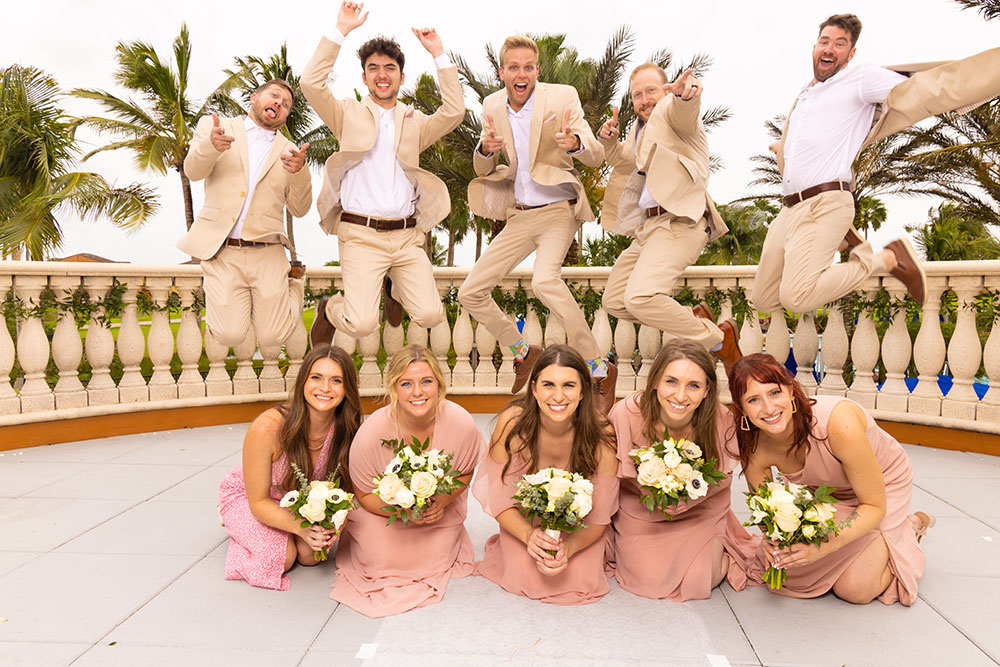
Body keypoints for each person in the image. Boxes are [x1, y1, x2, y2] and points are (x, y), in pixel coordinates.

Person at [755, 13, 1000, 315]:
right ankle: (849, 240)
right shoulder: (806, 94)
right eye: (825, 42)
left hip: (825, 203)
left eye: (840, 44)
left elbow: (921, 89)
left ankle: (887, 258)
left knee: (796, 297)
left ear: (851, 54)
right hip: (789, 209)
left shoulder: (860, 79)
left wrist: (983, 78)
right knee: (764, 300)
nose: (829, 49)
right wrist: (784, 147)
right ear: (815, 47)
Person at [459, 35, 616, 413]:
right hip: (519, 215)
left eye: (528, 66)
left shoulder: (562, 97)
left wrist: (575, 142)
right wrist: (485, 150)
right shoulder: (492, 105)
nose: (521, 73)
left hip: (557, 210)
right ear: (502, 72)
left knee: (545, 280)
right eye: (513, 67)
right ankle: (524, 351)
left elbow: (595, 154)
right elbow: (482, 166)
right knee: (470, 292)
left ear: (537, 71)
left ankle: (598, 366)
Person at [301, 1, 465, 346]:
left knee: (431, 315)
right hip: (361, 234)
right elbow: (311, 84)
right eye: (373, 68)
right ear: (364, 77)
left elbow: (453, 112)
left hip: (407, 238)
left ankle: (394, 287)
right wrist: (341, 29)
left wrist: (438, 53)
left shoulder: (415, 121)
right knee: (361, 324)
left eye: (389, 68)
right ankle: (329, 309)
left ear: (401, 77)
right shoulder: (346, 114)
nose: (381, 74)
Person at [727, 353, 934, 605]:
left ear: (791, 391)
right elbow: (766, 513)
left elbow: (873, 505)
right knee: (785, 571)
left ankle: (909, 528)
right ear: (742, 408)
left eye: (774, 393)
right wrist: (772, 540)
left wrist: (822, 548)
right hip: (824, 492)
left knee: (855, 590)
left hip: (881, 487)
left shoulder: (839, 424)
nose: (768, 409)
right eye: (753, 400)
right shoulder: (753, 446)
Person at [597, 65, 741, 372]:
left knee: (640, 298)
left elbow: (684, 111)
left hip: (679, 222)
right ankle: (695, 320)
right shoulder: (640, 131)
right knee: (614, 300)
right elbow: (625, 161)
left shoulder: (673, 118)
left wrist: (686, 97)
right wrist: (609, 141)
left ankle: (719, 340)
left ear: (665, 90)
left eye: (651, 91)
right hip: (649, 228)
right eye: (637, 94)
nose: (644, 100)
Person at [331, 345, 484, 617]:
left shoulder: (460, 422)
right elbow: (363, 494)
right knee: (380, 559)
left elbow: (465, 472)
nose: (417, 392)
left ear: (439, 384)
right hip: (381, 513)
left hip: (437, 516)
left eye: (426, 381)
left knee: (435, 556)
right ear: (394, 388)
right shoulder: (373, 434)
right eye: (406, 383)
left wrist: (444, 500)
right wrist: (402, 511)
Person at [608, 339, 756, 600]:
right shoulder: (626, 414)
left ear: (707, 391)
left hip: (701, 510)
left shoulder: (721, 421)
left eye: (694, 386)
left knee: (702, 579)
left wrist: (685, 502)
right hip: (642, 510)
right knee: (648, 580)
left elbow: (721, 480)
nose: (680, 396)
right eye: (671, 381)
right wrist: (654, 492)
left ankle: (721, 547)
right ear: (655, 382)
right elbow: (618, 475)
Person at [474, 344, 619, 604]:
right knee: (522, 572)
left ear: (584, 391)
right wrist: (530, 536)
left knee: (580, 577)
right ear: (533, 389)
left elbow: (600, 517)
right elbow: (500, 500)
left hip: (579, 526)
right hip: (524, 521)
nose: (558, 396)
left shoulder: (602, 433)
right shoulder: (512, 425)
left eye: (569, 386)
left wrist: (571, 546)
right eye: (548, 385)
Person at [180, 79, 311, 351]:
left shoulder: (291, 152)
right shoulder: (216, 128)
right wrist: (211, 147)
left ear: (286, 116)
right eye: (274, 96)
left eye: (286, 104)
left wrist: (300, 172)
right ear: (254, 98)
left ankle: (295, 284)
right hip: (224, 252)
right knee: (228, 335)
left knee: (273, 339)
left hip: (268, 252)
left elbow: (300, 208)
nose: (279, 103)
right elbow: (192, 171)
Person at [218, 344, 361, 590]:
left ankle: (286, 532)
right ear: (303, 381)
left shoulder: (346, 429)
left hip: (298, 501)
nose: (325, 388)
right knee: (282, 557)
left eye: (336, 380)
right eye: (316, 377)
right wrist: (300, 528)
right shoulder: (268, 428)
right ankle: (236, 524)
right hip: (251, 498)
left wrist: (336, 523)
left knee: (310, 557)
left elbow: (347, 491)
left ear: (347, 388)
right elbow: (259, 501)